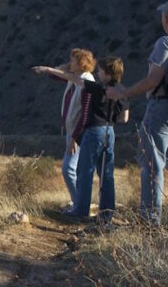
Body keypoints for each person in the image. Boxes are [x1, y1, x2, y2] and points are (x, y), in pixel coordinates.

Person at [107, 0, 168, 226]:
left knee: (152, 164)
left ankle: (150, 220)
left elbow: (152, 80)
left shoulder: (166, 43)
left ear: (166, 18)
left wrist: (124, 93)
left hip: (163, 111)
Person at [33, 57, 129, 224]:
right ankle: (106, 213)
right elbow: (125, 118)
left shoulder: (98, 88)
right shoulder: (122, 92)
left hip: (93, 132)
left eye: (100, 71)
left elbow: (76, 80)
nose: (97, 73)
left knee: (85, 172)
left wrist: (49, 69)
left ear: (107, 74)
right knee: (106, 174)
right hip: (110, 131)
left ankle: (81, 210)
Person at [53, 49, 96, 210]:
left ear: (80, 64)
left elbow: (85, 113)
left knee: (68, 168)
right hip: (72, 130)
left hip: (78, 132)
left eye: (72, 61)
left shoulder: (86, 81)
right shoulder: (74, 79)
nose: (69, 63)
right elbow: (54, 76)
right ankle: (80, 203)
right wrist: (62, 67)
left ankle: (80, 205)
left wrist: (74, 137)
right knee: (75, 169)